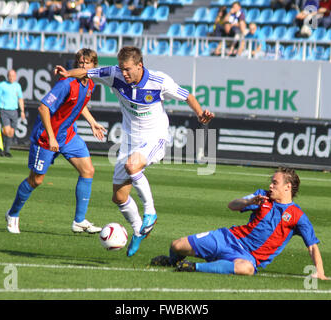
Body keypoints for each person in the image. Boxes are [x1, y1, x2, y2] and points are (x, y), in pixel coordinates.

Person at [54, 46, 214, 257]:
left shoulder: (159, 81)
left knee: (132, 165)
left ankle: (150, 212)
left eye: (128, 69)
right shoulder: (114, 74)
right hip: (130, 141)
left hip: (155, 137)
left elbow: (187, 96)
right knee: (119, 197)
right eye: (122, 69)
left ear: (140, 65)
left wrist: (200, 112)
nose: (124, 73)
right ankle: (139, 229)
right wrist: (67, 73)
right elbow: (86, 72)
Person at [151, 167, 328, 280]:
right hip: (228, 238)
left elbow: (312, 246)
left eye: (275, 182)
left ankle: (194, 267)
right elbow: (232, 205)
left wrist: (319, 272)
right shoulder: (262, 196)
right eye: (271, 182)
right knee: (176, 245)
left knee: (247, 269)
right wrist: (249, 202)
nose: (271, 186)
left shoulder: (297, 216)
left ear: (288, 187)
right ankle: (171, 261)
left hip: (247, 256)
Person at [5, 48, 106, 234]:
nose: (83, 66)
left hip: (67, 135)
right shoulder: (66, 83)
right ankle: (13, 214)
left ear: (93, 66)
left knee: (88, 170)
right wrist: (51, 136)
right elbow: (43, 108)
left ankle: (79, 221)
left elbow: (80, 105)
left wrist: (92, 123)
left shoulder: (90, 83)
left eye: (87, 63)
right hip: (46, 137)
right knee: (36, 180)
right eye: (81, 63)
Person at [0, 69, 25, 157]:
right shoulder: (2, 85)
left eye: (13, 76)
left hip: (14, 111)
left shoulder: (17, 86)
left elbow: (20, 99)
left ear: (15, 77)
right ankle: (1, 148)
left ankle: (6, 150)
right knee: (6, 131)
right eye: (10, 76)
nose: (11, 77)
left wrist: (22, 111)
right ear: (7, 76)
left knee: (11, 132)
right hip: (4, 110)